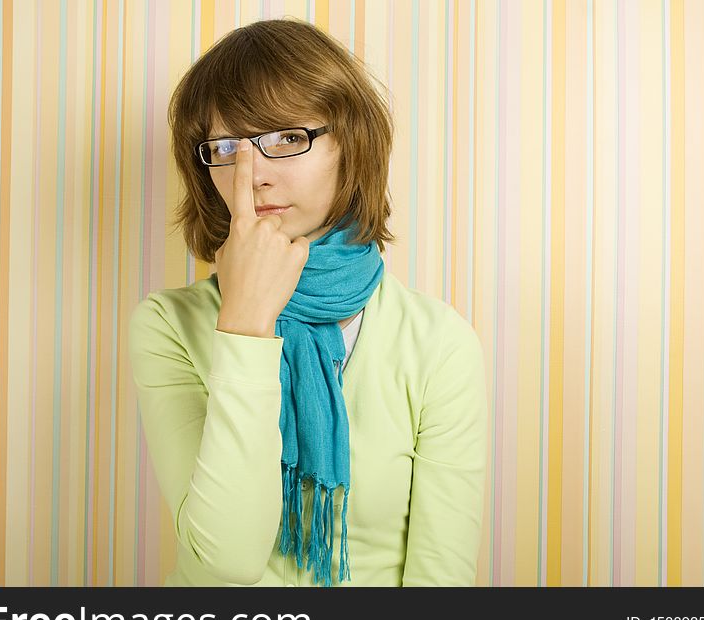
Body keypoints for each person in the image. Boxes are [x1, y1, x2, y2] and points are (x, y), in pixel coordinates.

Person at [128, 18, 487, 587]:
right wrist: (245, 325)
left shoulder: (437, 342)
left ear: (352, 143)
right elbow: (226, 563)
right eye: (226, 147)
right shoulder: (167, 325)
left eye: (287, 138)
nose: (255, 175)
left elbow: (441, 581)